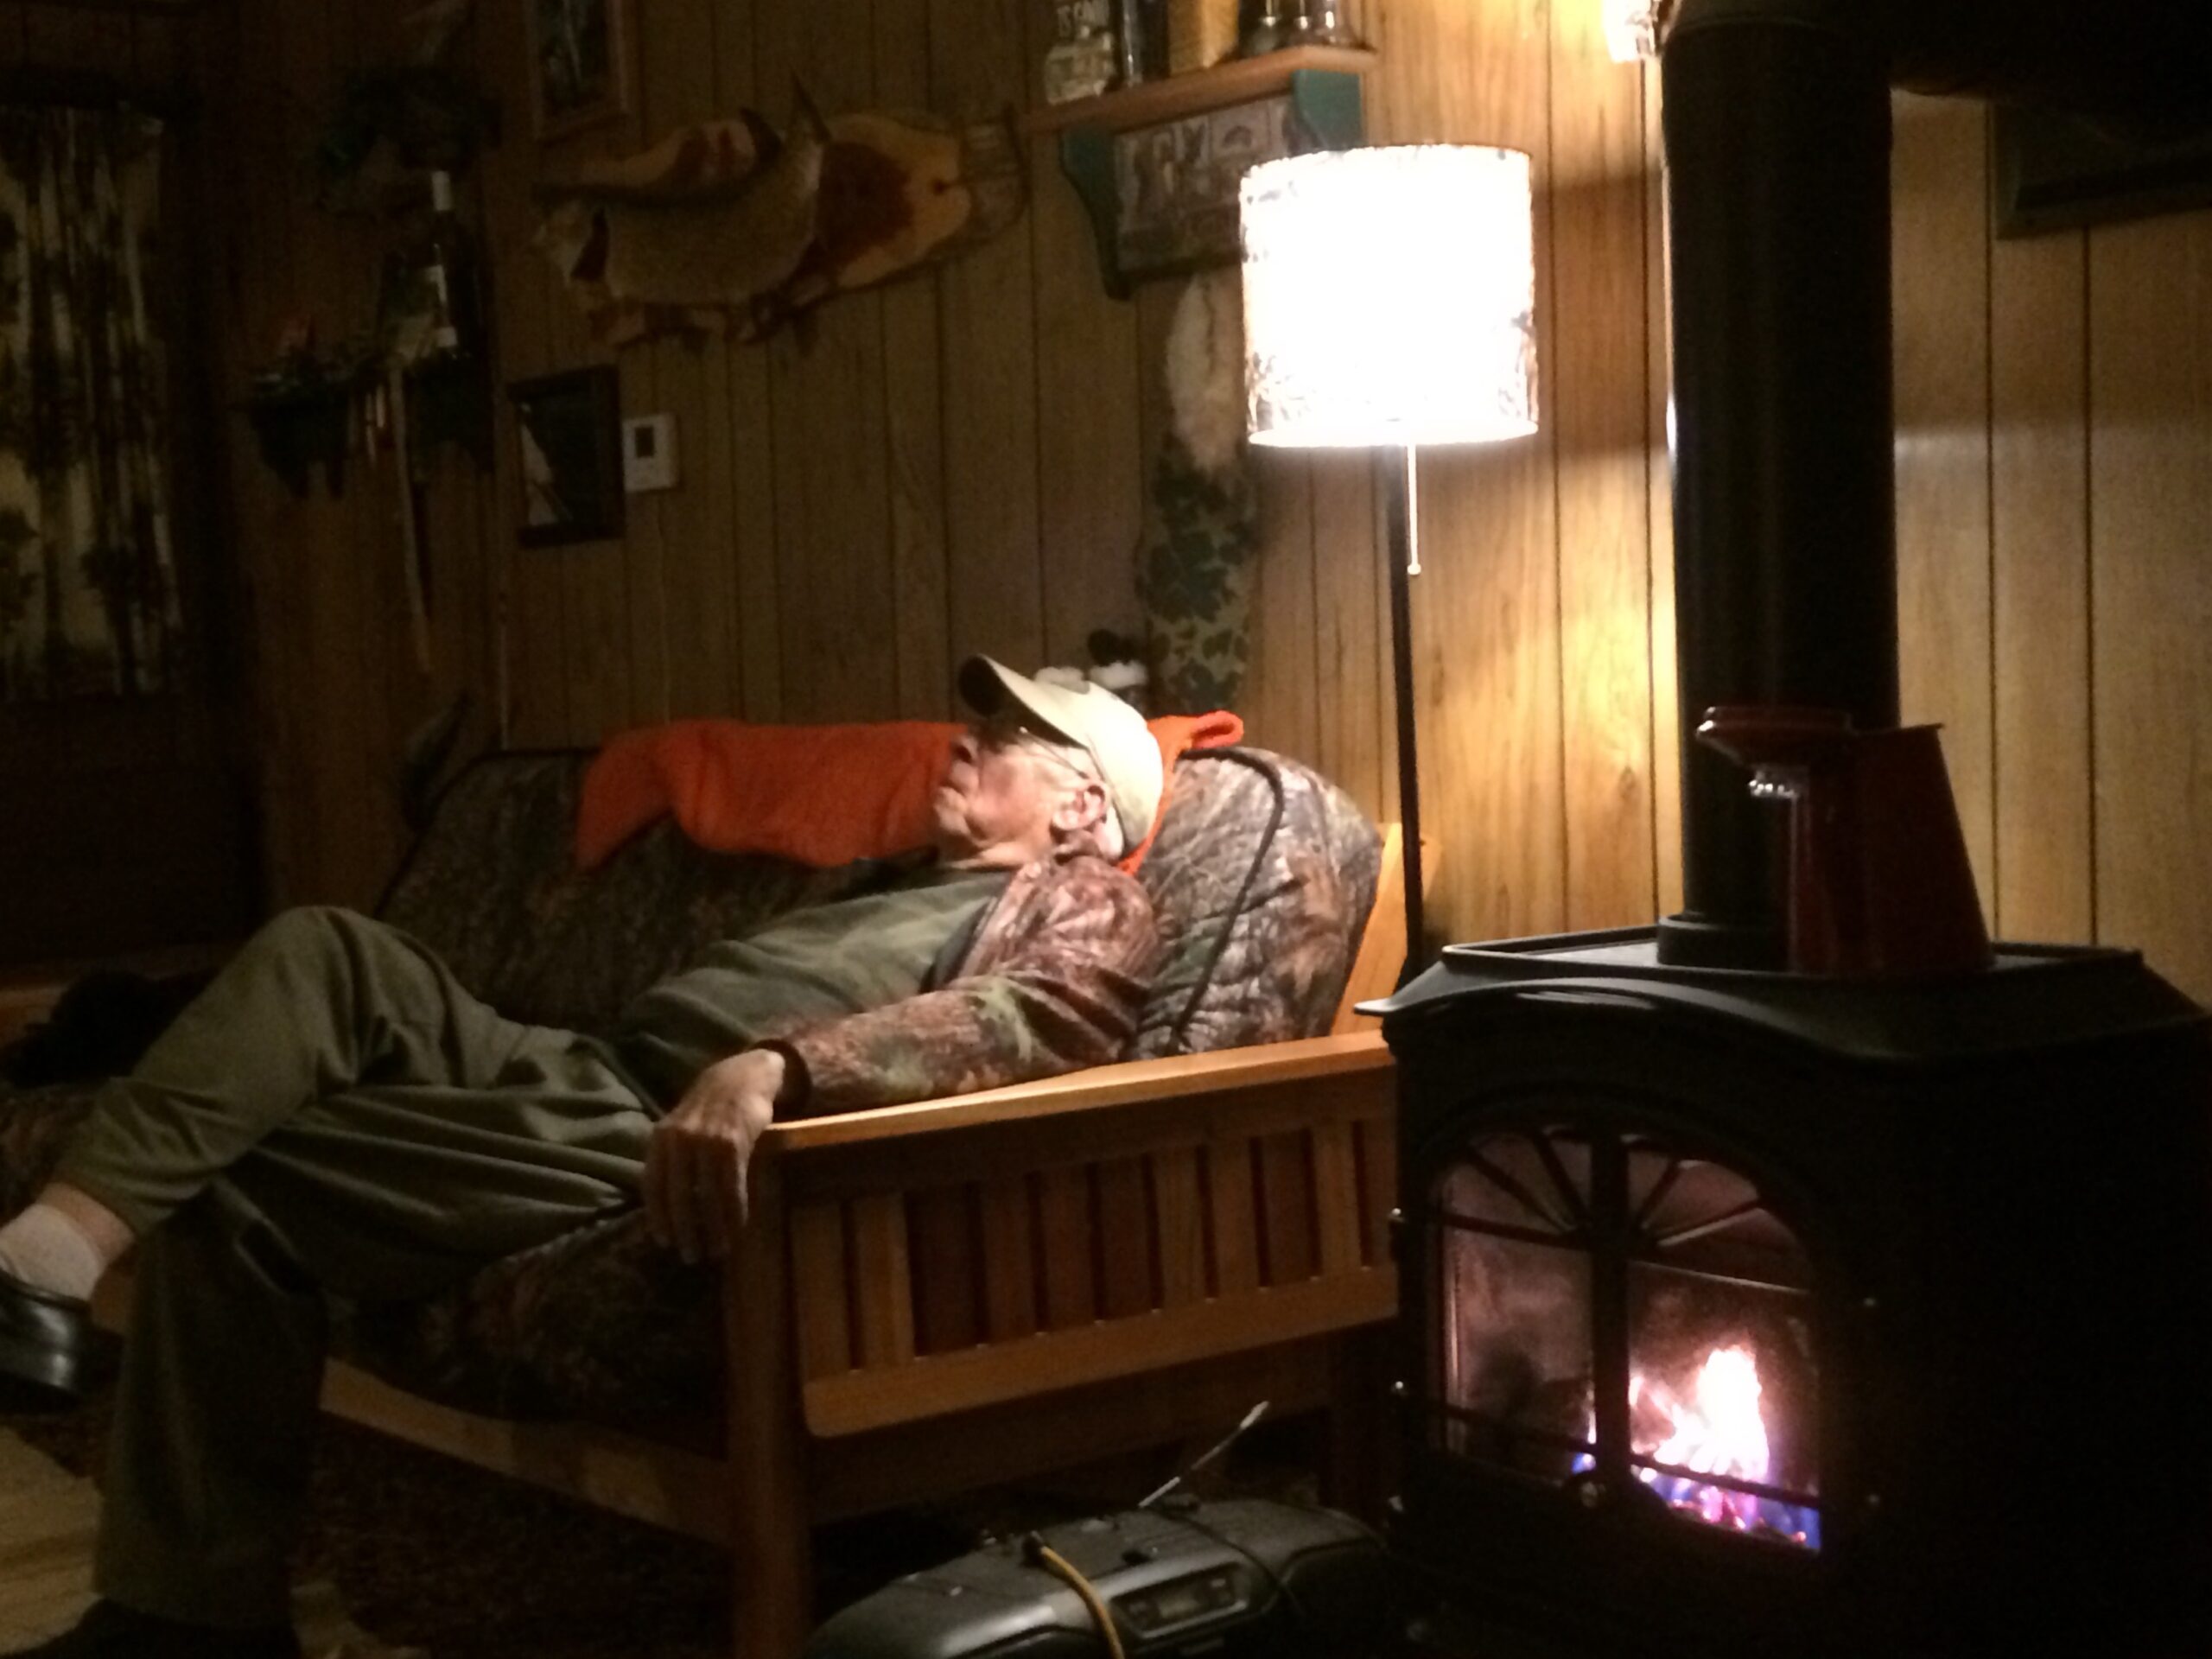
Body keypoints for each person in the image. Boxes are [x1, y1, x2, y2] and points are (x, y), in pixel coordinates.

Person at [0, 658, 1165, 1659]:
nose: (965, 741)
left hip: (638, 1119)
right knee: (330, 953)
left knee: (240, 1183)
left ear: (1079, 805)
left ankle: (188, 1624)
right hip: (583, 1062)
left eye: (1008, 738)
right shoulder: (899, 876)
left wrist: (778, 1069)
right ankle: (53, 1254)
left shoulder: (1083, 905)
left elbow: (1026, 1021)